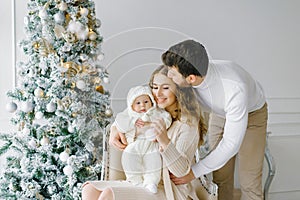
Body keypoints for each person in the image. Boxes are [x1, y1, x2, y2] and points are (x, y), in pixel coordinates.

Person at [162, 39, 268, 200]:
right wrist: (117, 128)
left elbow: (230, 144)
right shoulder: (187, 73)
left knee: (250, 181)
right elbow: (150, 95)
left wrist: (194, 172)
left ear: (191, 79)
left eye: (172, 73)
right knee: (221, 178)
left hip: (253, 113)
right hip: (220, 113)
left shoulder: (233, 88)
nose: (168, 75)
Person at [82, 65, 207, 200]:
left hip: (170, 190)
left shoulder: (187, 124)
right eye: (154, 87)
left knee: (109, 195)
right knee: (90, 189)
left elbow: (181, 171)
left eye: (165, 88)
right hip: (142, 182)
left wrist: (164, 140)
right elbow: (127, 116)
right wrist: (115, 128)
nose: (157, 93)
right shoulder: (152, 111)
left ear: (179, 90)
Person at [114, 85, 172, 193]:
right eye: (138, 103)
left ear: (151, 102)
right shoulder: (130, 115)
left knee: (153, 161)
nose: (142, 106)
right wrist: (132, 122)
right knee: (129, 156)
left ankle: (151, 182)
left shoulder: (156, 112)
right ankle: (135, 181)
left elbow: (167, 119)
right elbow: (119, 123)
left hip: (151, 144)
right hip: (135, 143)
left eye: (146, 101)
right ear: (131, 105)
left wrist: (151, 123)